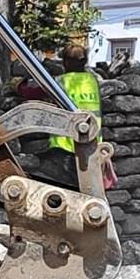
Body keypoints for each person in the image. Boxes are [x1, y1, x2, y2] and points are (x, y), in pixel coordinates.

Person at [34, 43, 105, 189]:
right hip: (91, 143)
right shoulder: (93, 81)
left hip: (64, 145)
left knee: (67, 190)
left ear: (65, 62)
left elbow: (34, 93)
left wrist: (18, 87)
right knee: (88, 188)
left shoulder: (60, 81)